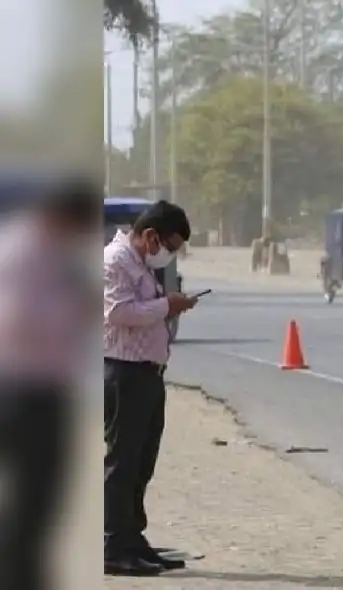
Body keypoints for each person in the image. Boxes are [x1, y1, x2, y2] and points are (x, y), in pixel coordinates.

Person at [0, 176, 98, 590]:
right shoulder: (23, 252)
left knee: (38, 512)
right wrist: (77, 310)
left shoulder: (53, 253)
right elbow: (16, 319)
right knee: (31, 510)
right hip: (25, 394)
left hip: (44, 393)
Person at [104, 199, 197, 576]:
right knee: (122, 463)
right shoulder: (115, 261)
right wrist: (166, 306)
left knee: (141, 462)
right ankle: (112, 545)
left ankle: (131, 539)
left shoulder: (139, 263)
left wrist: (169, 306)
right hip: (124, 373)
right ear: (151, 235)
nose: (169, 255)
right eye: (170, 246)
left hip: (147, 374)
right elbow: (117, 312)